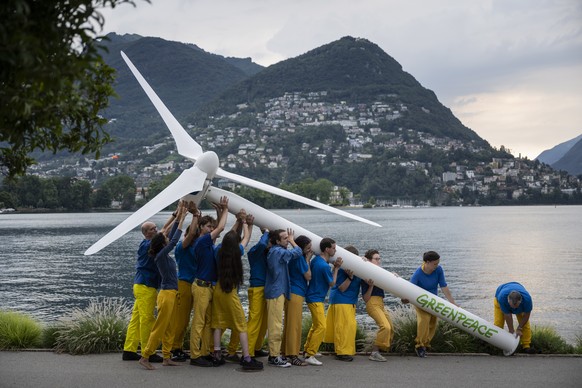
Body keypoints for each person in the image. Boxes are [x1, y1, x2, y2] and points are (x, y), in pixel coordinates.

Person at [139, 201, 188, 370]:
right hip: (166, 295)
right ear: (162, 244)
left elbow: (171, 235)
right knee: (160, 328)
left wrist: (180, 214)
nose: (168, 239)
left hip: (172, 294)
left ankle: (167, 357)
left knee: (170, 327)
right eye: (165, 239)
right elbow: (174, 240)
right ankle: (145, 356)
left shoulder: (163, 255)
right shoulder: (160, 256)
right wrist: (182, 219)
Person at [122, 210, 177, 363]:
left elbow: (164, 232)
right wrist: (176, 216)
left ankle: (129, 349)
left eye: (155, 227)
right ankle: (149, 352)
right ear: (146, 233)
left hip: (141, 285)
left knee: (136, 319)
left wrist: (176, 216)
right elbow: (165, 232)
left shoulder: (148, 243)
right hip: (146, 286)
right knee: (147, 319)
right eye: (153, 228)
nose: (156, 229)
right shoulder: (149, 244)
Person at [210, 217, 264, 371]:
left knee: (218, 323)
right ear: (235, 243)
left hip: (217, 290)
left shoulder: (217, 251)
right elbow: (246, 238)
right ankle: (246, 358)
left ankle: (217, 355)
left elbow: (231, 236)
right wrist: (247, 224)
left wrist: (238, 222)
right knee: (241, 325)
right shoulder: (237, 252)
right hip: (230, 292)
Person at [189, 196, 229, 367]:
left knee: (207, 323)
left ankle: (205, 352)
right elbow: (221, 228)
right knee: (199, 322)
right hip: (201, 286)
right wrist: (226, 209)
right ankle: (194, 355)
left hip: (209, 287)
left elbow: (218, 228)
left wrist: (219, 211)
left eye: (211, 226)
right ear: (201, 228)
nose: (211, 229)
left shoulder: (209, 243)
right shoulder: (202, 241)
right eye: (207, 226)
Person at [226, 226, 271, 362]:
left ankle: (256, 348)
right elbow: (263, 243)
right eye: (269, 241)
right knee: (255, 320)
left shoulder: (264, 252)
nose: (269, 244)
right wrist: (266, 233)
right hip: (257, 288)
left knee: (264, 322)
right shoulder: (255, 251)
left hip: (265, 287)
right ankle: (249, 352)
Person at [404, 250, 457, 358]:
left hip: (433, 301)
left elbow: (443, 286)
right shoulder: (418, 274)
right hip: (420, 301)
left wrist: (453, 303)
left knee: (433, 322)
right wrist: (405, 299)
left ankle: (426, 344)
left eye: (437, 263)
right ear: (427, 262)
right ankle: (420, 346)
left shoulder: (438, 270)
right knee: (424, 320)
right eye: (434, 264)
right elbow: (409, 289)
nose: (436, 266)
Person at [264, 228, 303, 367]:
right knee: (275, 325)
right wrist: (293, 241)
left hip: (277, 291)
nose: (287, 240)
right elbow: (298, 252)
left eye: (288, 238)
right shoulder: (278, 251)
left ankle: (274, 354)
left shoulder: (275, 251)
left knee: (276, 324)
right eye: (285, 238)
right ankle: (274, 356)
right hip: (276, 292)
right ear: (277, 241)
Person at [303, 237, 342, 366]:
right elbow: (332, 283)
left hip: (311, 296)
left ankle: (307, 350)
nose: (335, 251)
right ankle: (310, 354)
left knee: (315, 325)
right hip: (316, 298)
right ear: (327, 249)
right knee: (321, 326)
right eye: (333, 248)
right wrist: (336, 268)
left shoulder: (316, 261)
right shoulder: (325, 266)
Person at [170, 201, 200, 362]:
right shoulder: (182, 246)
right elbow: (192, 233)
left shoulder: (195, 247)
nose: (195, 236)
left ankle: (178, 347)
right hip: (183, 284)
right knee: (180, 319)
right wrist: (195, 215)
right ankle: (174, 348)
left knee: (187, 319)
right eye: (193, 234)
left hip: (192, 285)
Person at [324, 245, 361, 362]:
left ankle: (344, 350)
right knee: (344, 328)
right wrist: (350, 278)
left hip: (346, 301)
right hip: (342, 300)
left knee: (348, 327)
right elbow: (342, 288)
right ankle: (342, 352)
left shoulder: (344, 267)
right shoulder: (342, 269)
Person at [281, 235, 312, 366]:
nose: (310, 249)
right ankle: (293, 355)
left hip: (292, 293)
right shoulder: (300, 258)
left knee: (289, 325)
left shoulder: (296, 257)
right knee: (294, 326)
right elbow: (308, 275)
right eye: (308, 248)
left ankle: (284, 352)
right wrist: (308, 260)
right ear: (302, 248)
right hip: (296, 293)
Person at [361, 249, 393, 362]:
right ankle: (375, 352)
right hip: (372, 303)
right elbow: (365, 299)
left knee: (391, 327)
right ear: (369, 260)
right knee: (385, 326)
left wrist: (393, 276)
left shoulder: (379, 272)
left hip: (380, 303)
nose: (379, 261)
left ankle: (381, 349)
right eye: (376, 259)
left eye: (379, 258)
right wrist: (371, 286)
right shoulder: (366, 273)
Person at [494, 282, 536, 353]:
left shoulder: (527, 300)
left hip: (520, 303)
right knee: (498, 323)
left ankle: (526, 346)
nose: (513, 309)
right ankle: (496, 346)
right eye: (511, 306)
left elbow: (526, 315)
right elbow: (508, 315)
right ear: (508, 300)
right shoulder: (502, 298)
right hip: (499, 299)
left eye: (516, 306)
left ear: (520, 301)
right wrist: (512, 331)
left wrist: (519, 328)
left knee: (524, 325)